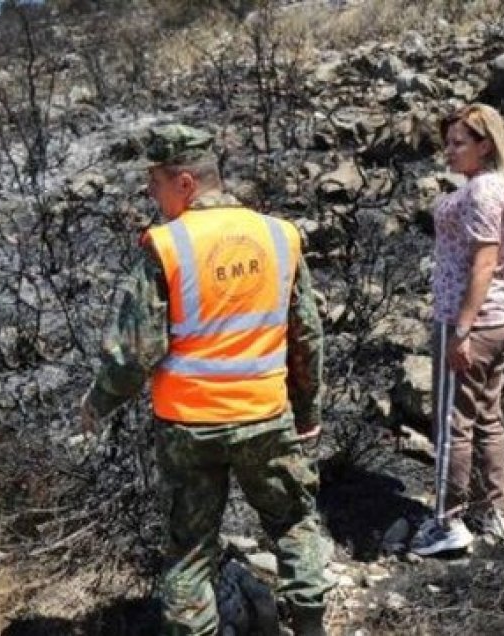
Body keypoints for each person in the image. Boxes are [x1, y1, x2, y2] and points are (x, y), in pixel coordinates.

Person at [80, 124, 332, 635]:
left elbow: (134, 355)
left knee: (190, 552)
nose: (152, 196)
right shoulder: (280, 236)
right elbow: (306, 335)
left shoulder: (165, 246)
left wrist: (96, 404)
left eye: (156, 183)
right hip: (265, 416)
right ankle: (310, 628)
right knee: (292, 524)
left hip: (189, 427)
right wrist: (307, 411)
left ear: (187, 183)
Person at [410, 104, 504, 557]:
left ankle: (447, 522)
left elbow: (484, 261)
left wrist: (461, 328)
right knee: (488, 419)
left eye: (459, 143)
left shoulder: (480, 193)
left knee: (453, 424)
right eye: (448, 143)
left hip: (470, 322)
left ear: (485, 145)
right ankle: (488, 509)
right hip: (500, 318)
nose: (449, 152)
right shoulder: (501, 187)